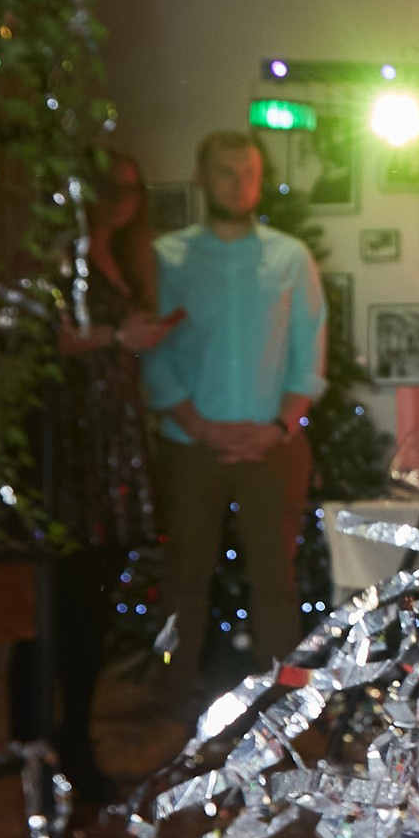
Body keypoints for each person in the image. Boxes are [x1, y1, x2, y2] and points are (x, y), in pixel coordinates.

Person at [141, 130, 326, 713]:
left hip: (272, 445)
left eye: (248, 173)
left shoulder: (289, 256)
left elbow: (309, 352)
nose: (239, 184)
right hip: (191, 445)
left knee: (276, 586)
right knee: (181, 585)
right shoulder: (167, 256)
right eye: (225, 172)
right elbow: (155, 352)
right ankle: (169, 699)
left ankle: (288, 703)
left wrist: (276, 427)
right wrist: (200, 427)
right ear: (201, 177)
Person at [42, 153, 183, 803]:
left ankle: (76, 739)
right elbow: (54, 337)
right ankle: (62, 744)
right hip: (79, 443)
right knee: (70, 600)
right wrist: (115, 334)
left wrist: (137, 335)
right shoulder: (62, 254)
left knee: (96, 598)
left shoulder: (121, 257)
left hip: (115, 439)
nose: (125, 198)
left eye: (135, 186)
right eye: (112, 187)